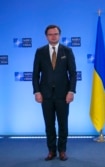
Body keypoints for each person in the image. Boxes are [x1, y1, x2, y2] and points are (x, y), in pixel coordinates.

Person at [32, 25, 77, 160]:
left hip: (63, 95)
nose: (53, 36)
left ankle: (62, 150)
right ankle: (51, 151)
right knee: (49, 125)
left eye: (56, 34)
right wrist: (37, 92)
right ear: (46, 36)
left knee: (63, 124)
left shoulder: (67, 51)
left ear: (59, 35)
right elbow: (35, 74)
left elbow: (73, 74)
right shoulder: (40, 52)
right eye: (50, 34)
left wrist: (71, 91)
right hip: (45, 95)